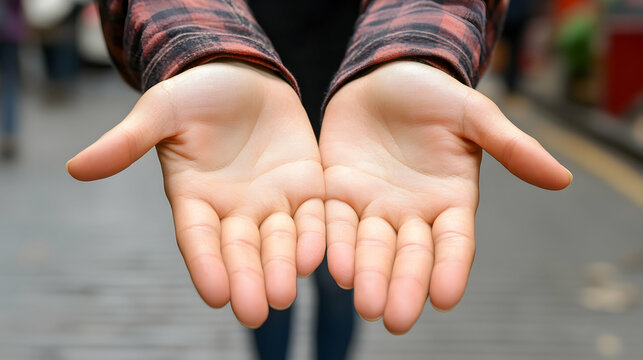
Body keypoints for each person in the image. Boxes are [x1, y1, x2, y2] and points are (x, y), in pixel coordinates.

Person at [66, 0, 573, 358]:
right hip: (249, 125)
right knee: (269, 276)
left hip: (366, 130)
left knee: (342, 277)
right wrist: (207, 50)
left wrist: (412, 51)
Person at [0, 0, 24, 160]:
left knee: (10, 84)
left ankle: (9, 137)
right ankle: (8, 136)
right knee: (10, 84)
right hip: (10, 31)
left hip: (10, 31)